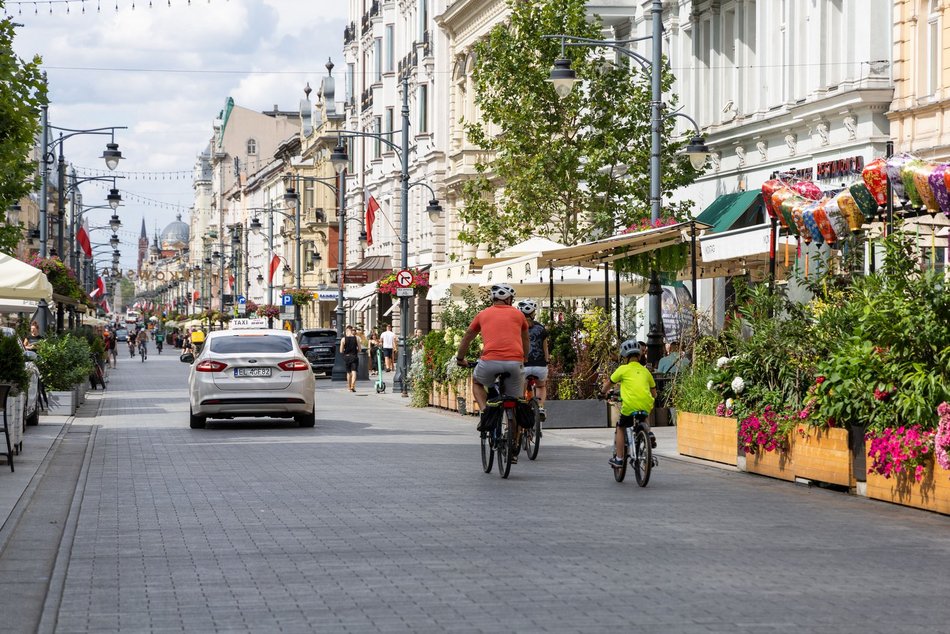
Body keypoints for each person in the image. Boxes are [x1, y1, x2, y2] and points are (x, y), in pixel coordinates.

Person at [456, 283, 530, 436]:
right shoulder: (519, 315)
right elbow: (526, 341)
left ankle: (485, 413)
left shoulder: (483, 314)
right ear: (509, 299)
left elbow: (467, 337)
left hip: (489, 361)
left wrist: (460, 358)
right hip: (515, 362)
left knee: (477, 382)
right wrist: (525, 358)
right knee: (515, 403)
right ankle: (514, 448)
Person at [602, 339, 657, 468]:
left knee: (620, 427)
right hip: (645, 403)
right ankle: (648, 433)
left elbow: (608, 384)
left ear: (625, 357)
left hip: (629, 406)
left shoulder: (622, 369)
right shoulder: (645, 371)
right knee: (645, 411)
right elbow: (654, 394)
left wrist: (602, 393)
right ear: (639, 355)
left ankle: (620, 458)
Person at [517, 299, 550, 420]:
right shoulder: (541, 328)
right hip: (539, 366)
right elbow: (545, 348)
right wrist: (546, 361)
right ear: (533, 313)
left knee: (520, 393)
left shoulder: (516, 327)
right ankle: (540, 406)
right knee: (541, 386)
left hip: (523, 365)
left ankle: (521, 408)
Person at [339, 325, 361, 392]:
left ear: (346, 331)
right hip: (354, 356)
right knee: (354, 372)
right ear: (351, 330)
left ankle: (349, 387)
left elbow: (341, 351)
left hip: (347, 357)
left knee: (348, 373)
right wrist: (355, 350)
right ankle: (352, 386)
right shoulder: (356, 338)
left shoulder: (343, 339)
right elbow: (360, 349)